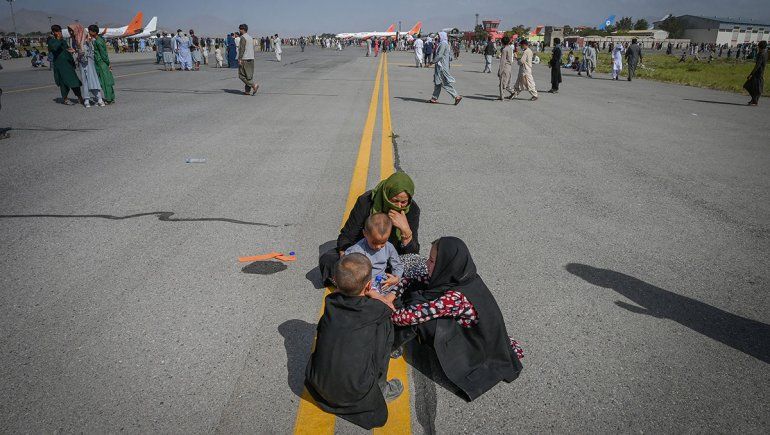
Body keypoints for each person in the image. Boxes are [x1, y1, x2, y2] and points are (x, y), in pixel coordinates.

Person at [390, 237, 523, 401]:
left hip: (476, 348)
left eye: (432, 261)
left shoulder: (456, 297)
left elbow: (410, 317)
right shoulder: (462, 276)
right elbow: (417, 280)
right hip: (484, 336)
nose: (427, 264)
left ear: (445, 264)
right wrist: (394, 292)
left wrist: (386, 310)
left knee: (423, 322)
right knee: (418, 292)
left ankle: (390, 343)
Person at [305, 253, 403, 430]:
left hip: (318, 385)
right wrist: (374, 294)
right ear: (368, 285)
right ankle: (381, 388)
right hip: (354, 392)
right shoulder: (375, 310)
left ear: (335, 280)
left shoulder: (330, 303)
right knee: (385, 327)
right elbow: (389, 308)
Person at [318, 172, 420, 286]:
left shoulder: (412, 210)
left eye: (403, 202)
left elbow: (413, 252)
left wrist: (405, 231)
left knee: (417, 266)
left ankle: (359, 284)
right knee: (328, 260)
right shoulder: (366, 201)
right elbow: (347, 235)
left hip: (390, 258)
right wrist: (348, 263)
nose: (399, 206)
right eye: (395, 200)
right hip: (362, 254)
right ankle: (358, 283)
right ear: (386, 195)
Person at [344, 213, 404, 291]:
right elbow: (345, 266)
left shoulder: (389, 247)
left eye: (383, 242)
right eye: (374, 242)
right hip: (363, 284)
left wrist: (396, 278)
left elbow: (397, 265)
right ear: (365, 234)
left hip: (383, 282)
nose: (379, 247)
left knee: (403, 283)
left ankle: (386, 299)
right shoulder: (357, 250)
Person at [48, 24, 84, 106]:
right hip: (60, 65)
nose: (60, 32)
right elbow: (54, 48)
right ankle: (65, 99)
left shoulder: (63, 41)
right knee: (63, 83)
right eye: (58, 31)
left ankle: (80, 97)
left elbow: (67, 49)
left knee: (74, 81)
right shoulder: (51, 41)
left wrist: (72, 52)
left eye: (60, 31)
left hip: (68, 64)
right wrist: (59, 40)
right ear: (54, 32)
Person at [428, 32, 462, 105]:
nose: (438, 37)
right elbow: (450, 57)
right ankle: (434, 98)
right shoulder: (446, 44)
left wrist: (432, 62)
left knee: (444, 83)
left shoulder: (443, 44)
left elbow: (439, 55)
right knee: (437, 82)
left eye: (439, 36)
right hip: (442, 66)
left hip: (441, 67)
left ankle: (456, 96)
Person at [88, 25, 114, 105]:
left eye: (90, 31)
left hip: (101, 63)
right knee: (107, 81)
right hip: (102, 63)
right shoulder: (99, 39)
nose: (89, 32)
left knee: (104, 82)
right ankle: (111, 97)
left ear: (94, 32)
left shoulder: (98, 41)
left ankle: (109, 99)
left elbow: (103, 54)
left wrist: (107, 63)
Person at [237, 24, 259, 96]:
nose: (239, 30)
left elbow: (242, 49)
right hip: (251, 58)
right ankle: (247, 91)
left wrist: (240, 59)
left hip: (245, 59)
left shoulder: (243, 38)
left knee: (241, 75)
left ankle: (253, 85)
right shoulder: (250, 37)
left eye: (240, 29)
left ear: (243, 29)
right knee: (249, 76)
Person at [744, 40, 767, 106]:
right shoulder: (765, 53)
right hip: (760, 73)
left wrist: (751, 74)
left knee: (748, 86)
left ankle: (755, 100)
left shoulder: (761, 54)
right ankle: (754, 100)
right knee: (756, 88)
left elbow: (757, 66)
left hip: (757, 74)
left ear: (760, 46)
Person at [497, 36, 514, 100]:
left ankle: (502, 96)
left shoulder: (504, 50)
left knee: (502, 83)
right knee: (507, 83)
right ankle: (512, 92)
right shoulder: (510, 48)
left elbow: (502, 61)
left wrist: (500, 71)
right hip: (509, 67)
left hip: (505, 67)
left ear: (502, 42)